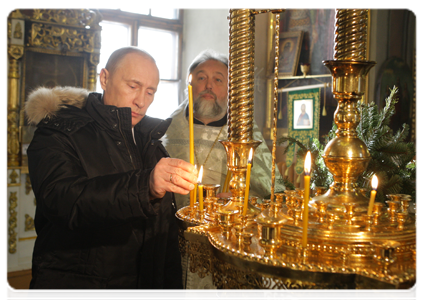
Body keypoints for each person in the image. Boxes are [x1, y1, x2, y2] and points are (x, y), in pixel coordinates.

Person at [25, 47, 197, 300]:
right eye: (133, 86)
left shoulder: (149, 141)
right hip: (79, 288)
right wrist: (145, 185)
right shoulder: (59, 131)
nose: (142, 101)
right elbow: (64, 202)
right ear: (104, 78)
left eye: (150, 92)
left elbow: (163, 237)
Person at [161, 49, 285, 300]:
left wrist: (242, 202)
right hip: (171, 249)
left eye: (218, 79)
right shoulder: (165, 129)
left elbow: (274, 195)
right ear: (189, 82)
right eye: (201, 77)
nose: (209, 85)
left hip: (228, 249)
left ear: (230, 88)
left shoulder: (245, 135)